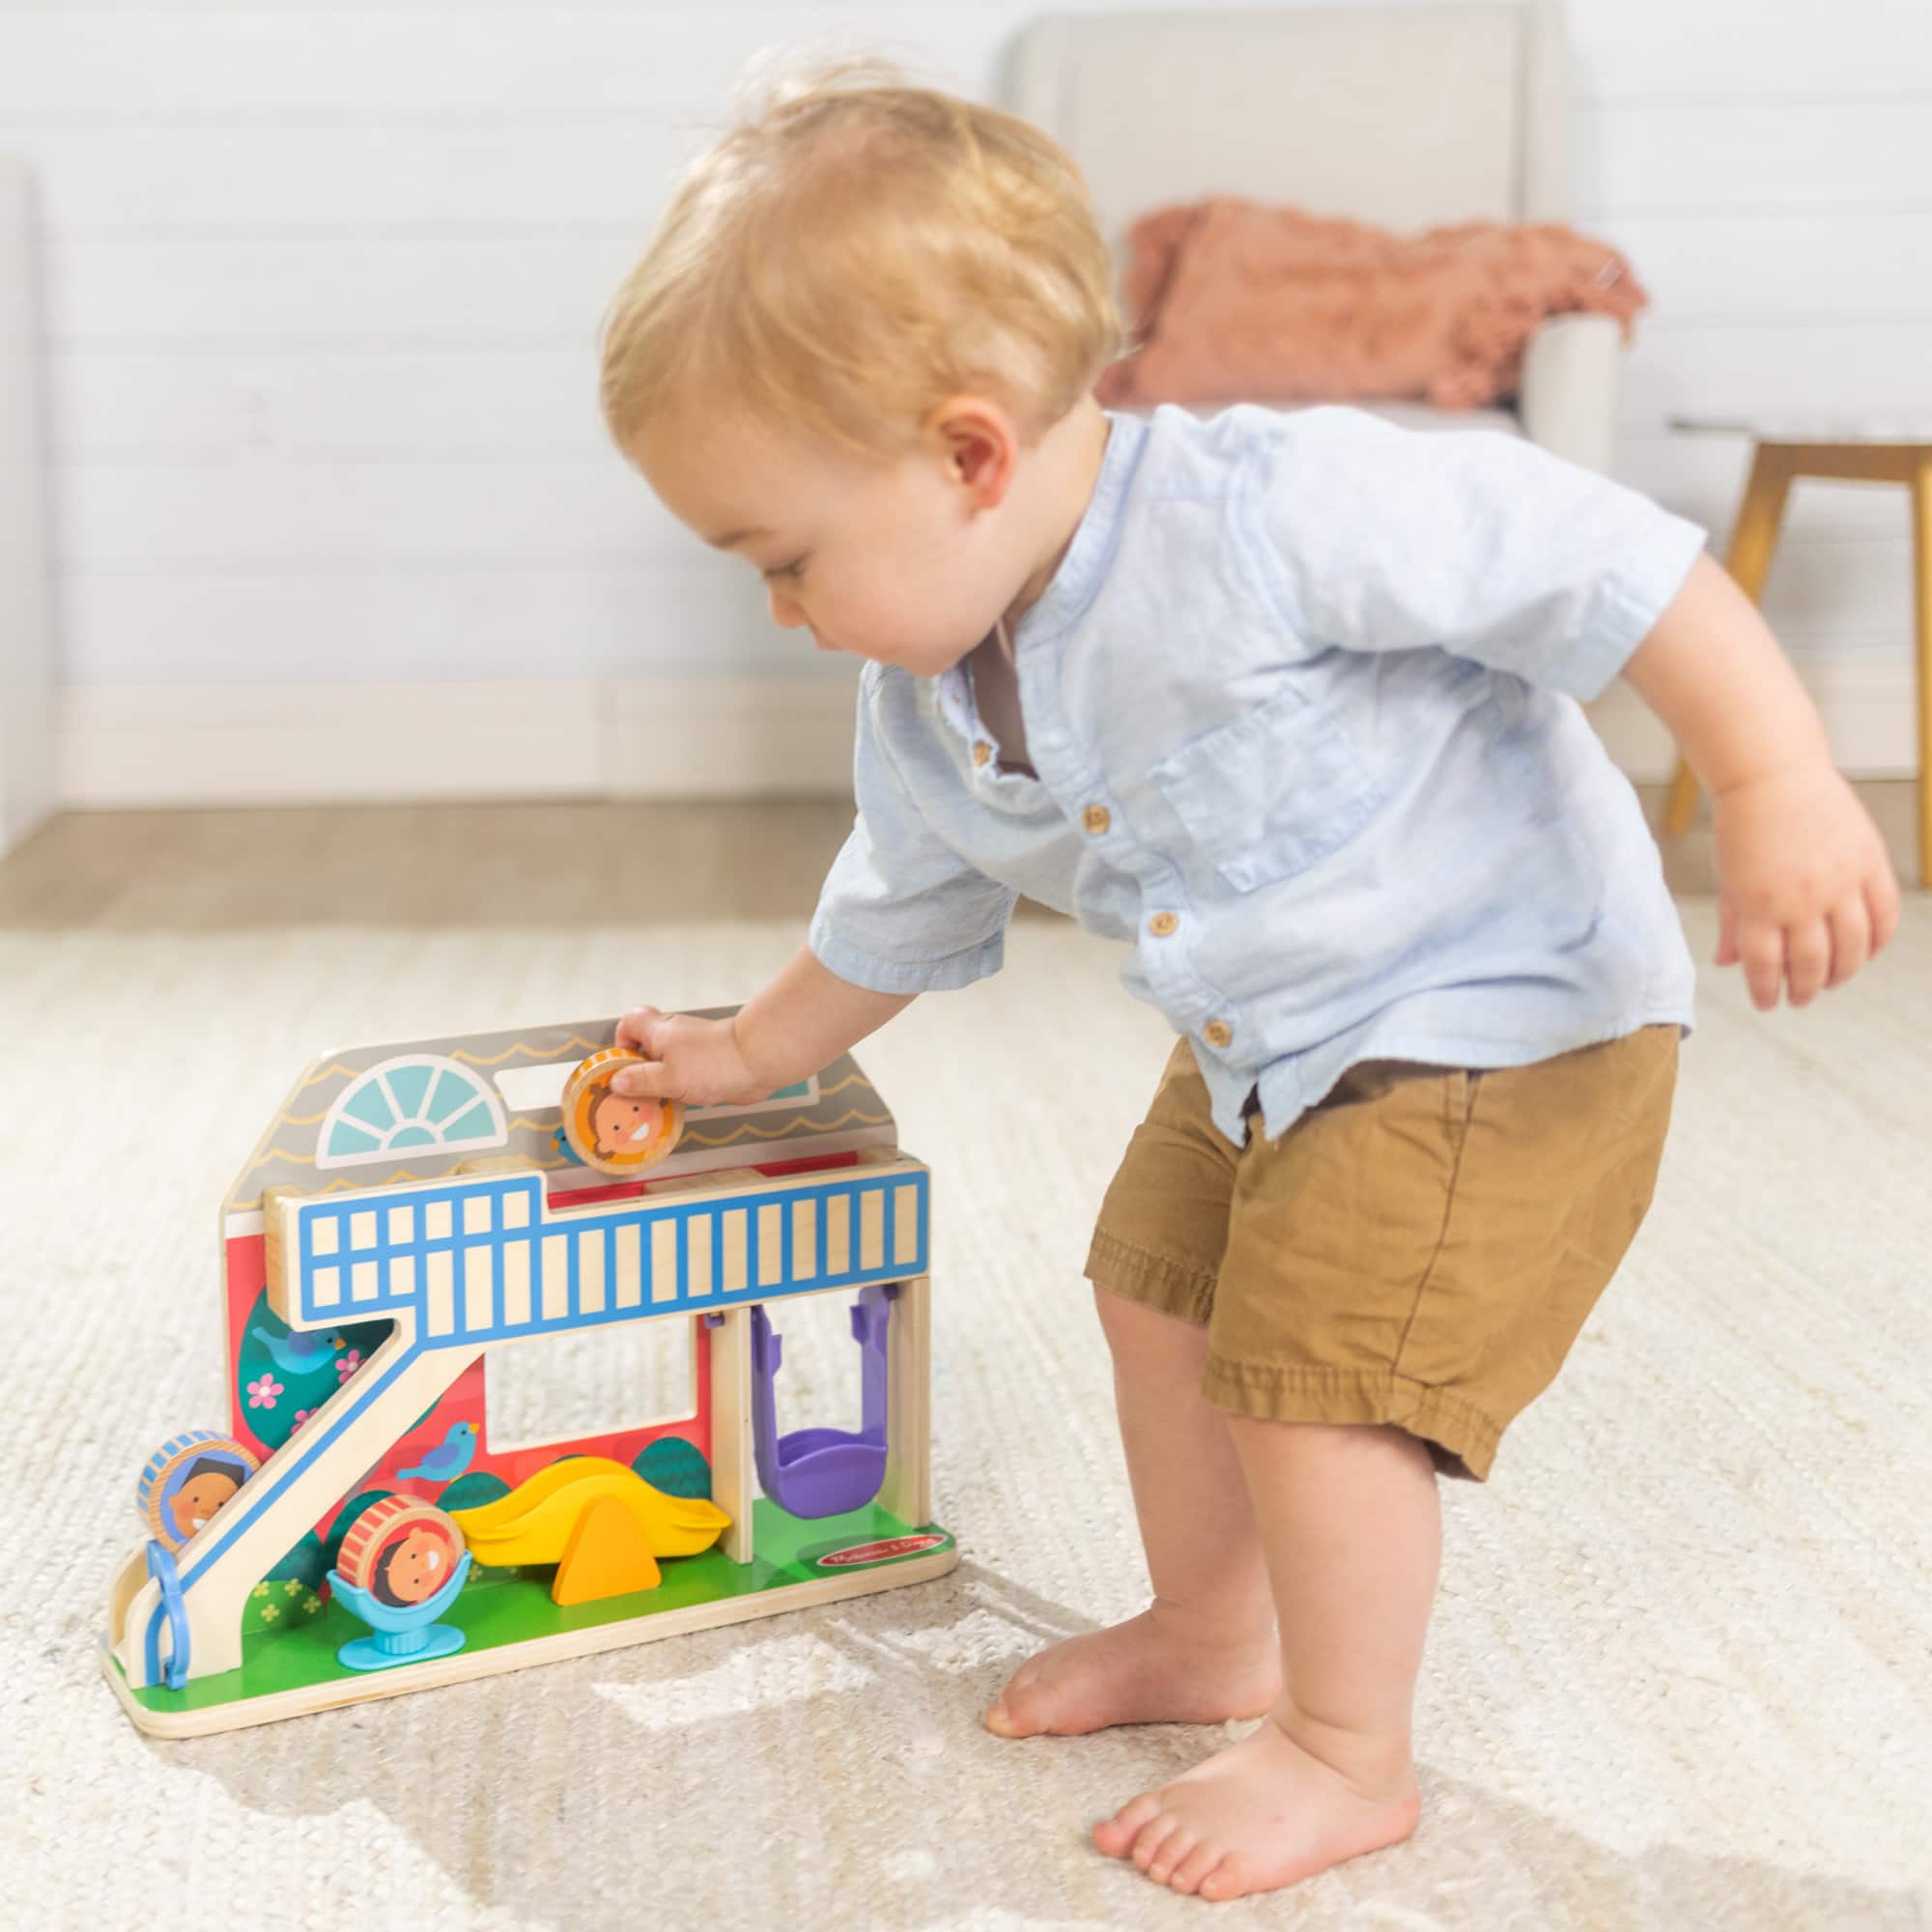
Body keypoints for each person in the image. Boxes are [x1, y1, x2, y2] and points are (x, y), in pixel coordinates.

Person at [592, 63, 1899, 1903]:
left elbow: (1607, 566)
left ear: (969, 456)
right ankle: (1215, 1635)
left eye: (788, 561)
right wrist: (747, 1049)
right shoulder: (927, 698)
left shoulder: (1276, 508)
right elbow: (895, 904)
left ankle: (1349, 1751)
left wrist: (1773, 781)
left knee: (1313, 1381)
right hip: (1266, 1039)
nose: (784, 612)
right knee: (1157, 1295)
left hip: (1495, 1017)